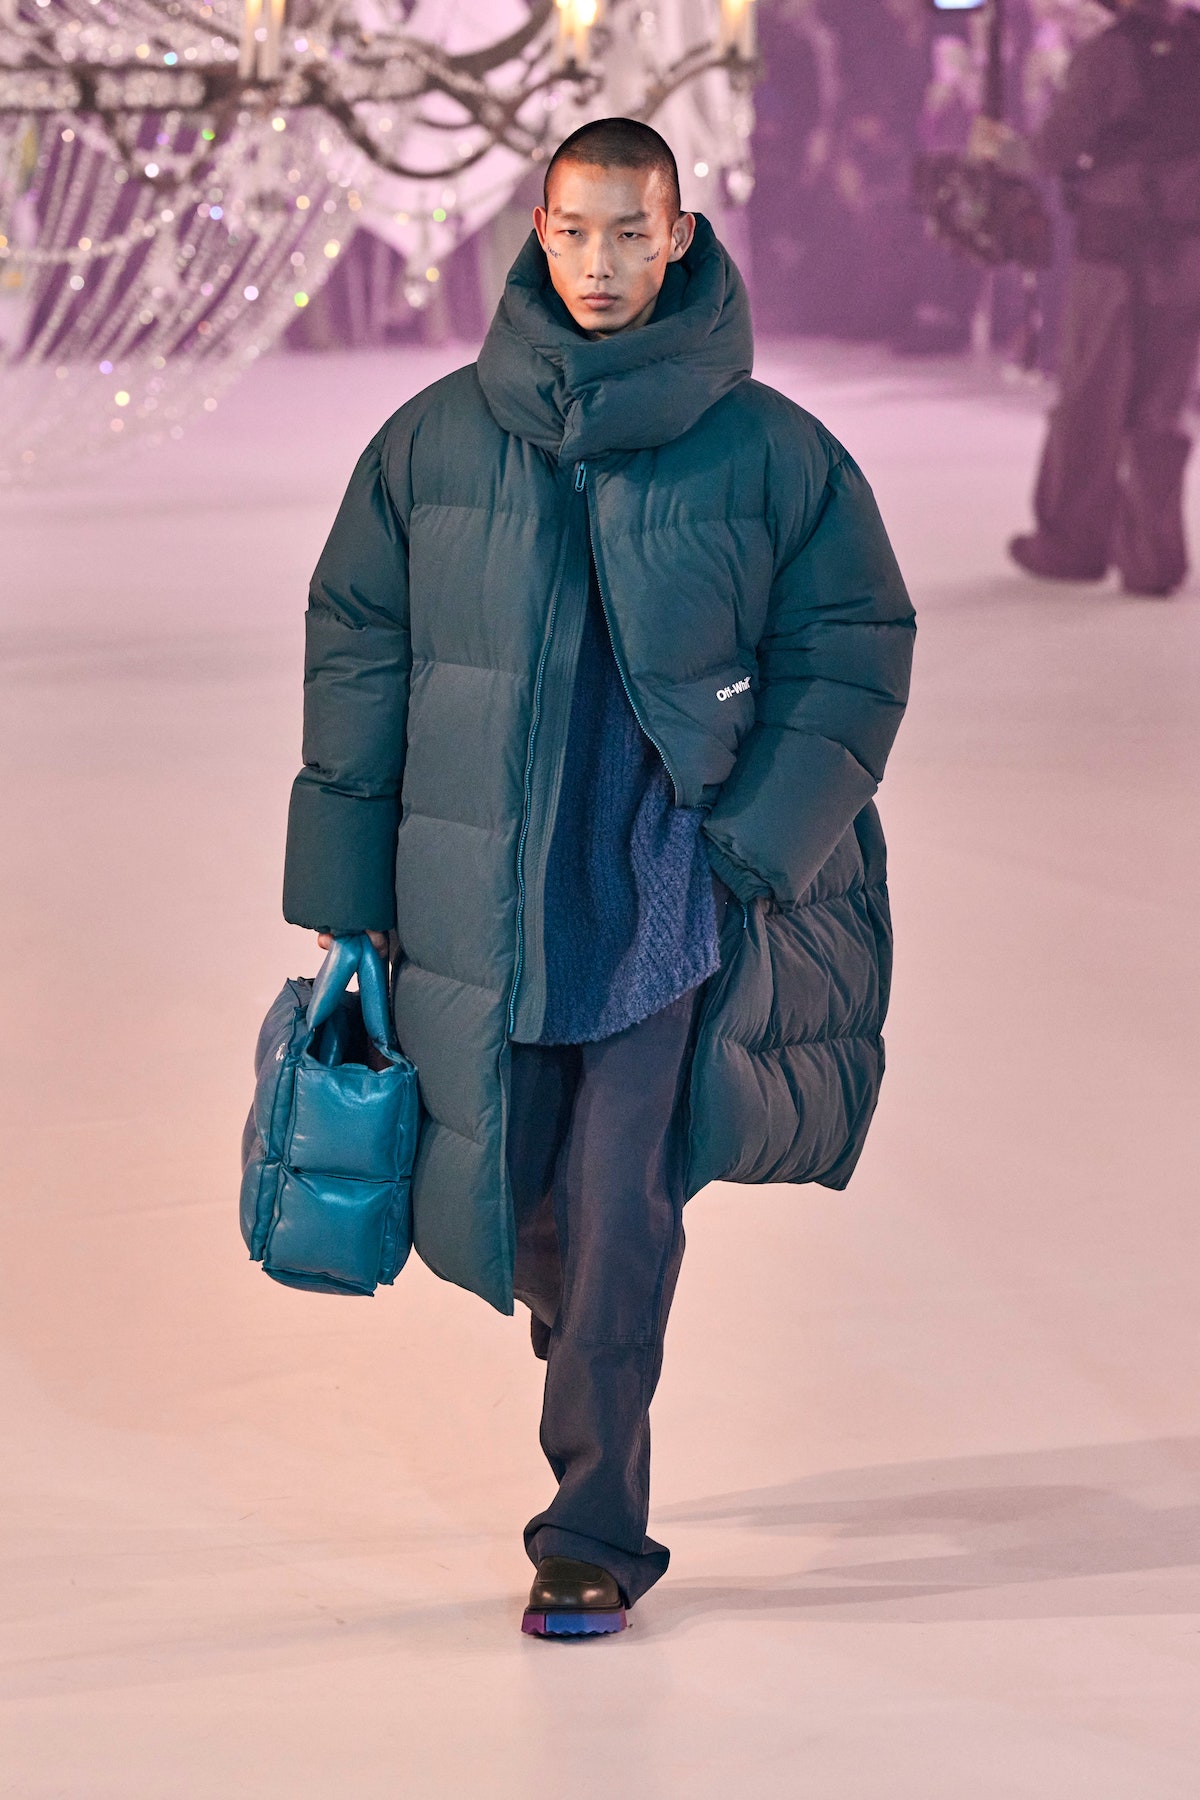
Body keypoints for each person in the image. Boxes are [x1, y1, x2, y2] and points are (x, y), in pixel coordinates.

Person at [281, 118, 914, 1639]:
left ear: (681, 235)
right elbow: (358, 650)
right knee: (528, 1211)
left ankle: (592, 1531)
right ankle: (581, 1348)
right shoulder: (432, 444)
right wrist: (348, 893)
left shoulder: (774, 455)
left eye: (634, 231)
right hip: (484, 903)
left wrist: (753, 847)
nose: (603, 261)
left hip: (664, 902)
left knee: (622, 1209)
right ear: (539, 232)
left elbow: (854, 649)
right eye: (576, 230)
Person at [1002, 0, 1200, 596]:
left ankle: (1074, 544)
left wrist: (1001, 150)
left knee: (1091, 398)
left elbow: (1051, 151)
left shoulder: (1109, 55)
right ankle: (1155, 557)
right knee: (1161, 407)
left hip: (1112, 250)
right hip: (1185, 251)